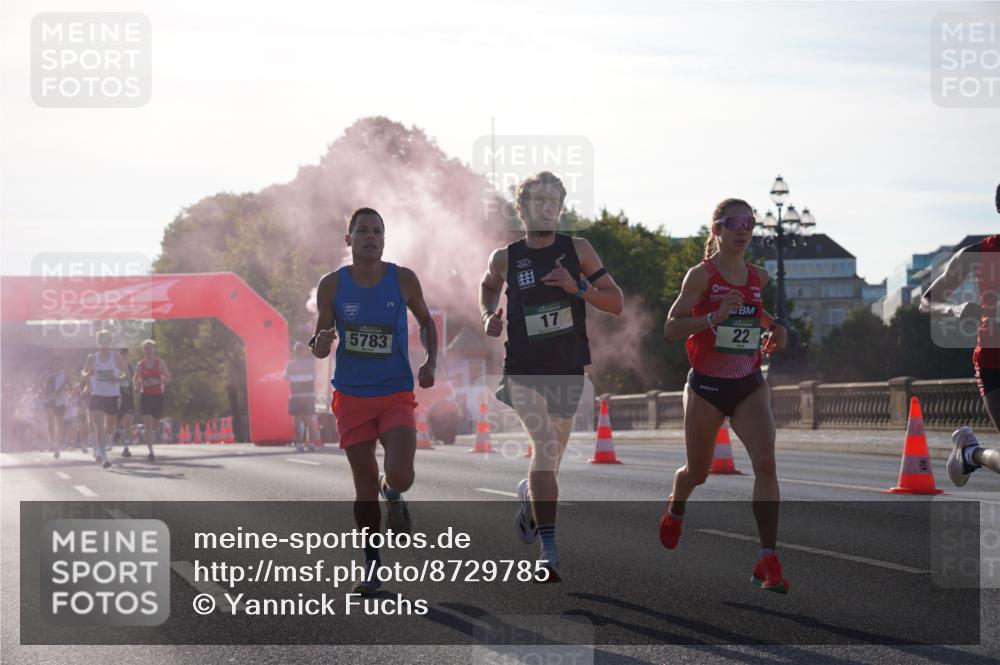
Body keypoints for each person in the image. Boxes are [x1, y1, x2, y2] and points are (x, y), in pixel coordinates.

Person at [480, 171, 624, 582]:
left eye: (553, 202)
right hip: (523, 371)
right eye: (538, 201)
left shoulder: (578, 250)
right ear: (521, 208)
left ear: (560, 208)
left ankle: (529, 497)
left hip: (567, 370)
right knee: (544, 447)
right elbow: (487, 286)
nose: (546, 208)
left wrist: (577, 289)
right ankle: (549, 550)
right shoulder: (505, 257)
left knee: (550, 463)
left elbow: (615, 302)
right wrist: (489, 314)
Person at [660, 198, 790, 594]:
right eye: (733, 223)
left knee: (766, 463)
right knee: (697, 473)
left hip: (749, 381)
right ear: (716, 229)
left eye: (749, 223)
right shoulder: (700, 276)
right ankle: (676, 505)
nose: (742, 229)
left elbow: (756, 313)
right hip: (707, 387)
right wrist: (713, 317)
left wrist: (776, 327)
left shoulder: (759, 277)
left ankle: (768, 557)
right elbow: (671, 327)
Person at [310, 207, 437, 596]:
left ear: (384, 239)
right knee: (362, 485)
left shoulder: (404, 280)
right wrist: (322, 343)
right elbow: (318, 346)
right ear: (348, 240)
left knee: (401, 475)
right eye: (362, 231)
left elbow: (428, 323)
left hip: (395, 391)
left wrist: (432, 360)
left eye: (377, 231)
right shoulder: (331, 286)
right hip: (351, 396)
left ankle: (393, 492)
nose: (370, 237)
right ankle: (371, 566)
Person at [921, 188, 1000, 486]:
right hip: (994, 362)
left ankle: (969, 454)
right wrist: (953, 308)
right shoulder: (978, 255)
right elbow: (926, 302)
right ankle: (971, 453)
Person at [81, 330, 129, 469]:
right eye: (101, 340)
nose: (103, 343)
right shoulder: (92, 357)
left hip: (112, 396)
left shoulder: (116, 357)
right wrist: (86, 373)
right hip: (97, 395)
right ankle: (104, 458)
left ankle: (103, 445)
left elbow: (127, 374)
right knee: (99, 427)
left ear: (110, 342)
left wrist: (117, 378)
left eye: (106, 340)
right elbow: (84, 372)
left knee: (110, 427)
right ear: (98, 342)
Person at [134, 339, 171, 462]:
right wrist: (138, 384)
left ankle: (154, 436)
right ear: (143, 351)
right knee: (148, 425)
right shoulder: (140, 364)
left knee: (155, 425)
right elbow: (136, 379)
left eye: (150, 348)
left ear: (154, 349)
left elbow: (169, 378)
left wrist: (157, 381)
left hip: (158, 396)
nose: (148, 351)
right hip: (145, 396)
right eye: (146, 349)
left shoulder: (160, 363)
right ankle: (151, 452)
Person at [284, 341, 321, 452]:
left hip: (295, 396)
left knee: (297, 421)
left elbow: (286, 378)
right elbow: (317, 377)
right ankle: (311, 444)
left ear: (294, 352)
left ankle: (300, 444)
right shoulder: (311, 364)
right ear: (304, 351)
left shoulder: (290, 365)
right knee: (310, 421)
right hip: (309, 396)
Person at [39, 356, 69, 459]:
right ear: (52, 363)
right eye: (55, 363)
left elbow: (67, 385)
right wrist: (43, 392)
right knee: (51, 422)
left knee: (60, 424)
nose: (57, 365)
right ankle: (53, 442)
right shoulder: (46, 373)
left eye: (59, 363)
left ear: (61, 364)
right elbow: (40, 384)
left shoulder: (64, 373)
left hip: (60, 400)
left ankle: (58, 446)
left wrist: (59, 392)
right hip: (48, 400)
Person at [115, 348, 136, 457]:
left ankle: (126, 448)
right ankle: (116, 434)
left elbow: (135, 381)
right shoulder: (114, 368)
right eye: (121, 355)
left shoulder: (131, 368)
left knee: (128, 422)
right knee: (115, 423)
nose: (123, 358)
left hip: (128, 395)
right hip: (115, 395)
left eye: (125, 356)